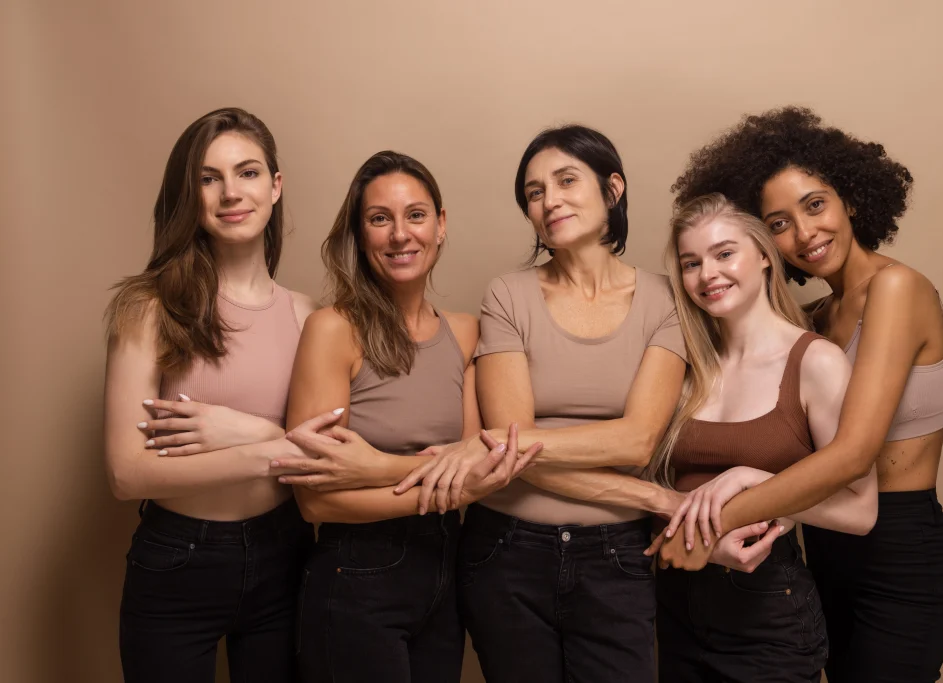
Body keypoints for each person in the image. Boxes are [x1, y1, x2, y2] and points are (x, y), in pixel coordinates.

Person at [664, 106, 943, 682]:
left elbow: (851, 455)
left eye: (815, 205)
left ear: (850, 196)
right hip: (823, 543)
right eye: (778, 223)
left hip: (900, 551)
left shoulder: (896, 289)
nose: (805, 234)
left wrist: (710, 524)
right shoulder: (816, 320)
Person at [395, 125, 688, 683]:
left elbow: (637, 439)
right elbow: (511, 447)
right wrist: (650, 494)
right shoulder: (508, 294)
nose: (549, 200)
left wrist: (487, 446)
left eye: (566, 180)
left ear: (613, 189)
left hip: (620, 555)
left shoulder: (665, 299)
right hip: (506, 551)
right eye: (533, 192)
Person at [274, 151, 537, 683]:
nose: (399, 235)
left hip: (444, 577)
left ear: (440, 225)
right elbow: (314, 498)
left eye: (415, 215)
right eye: (379, 219)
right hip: (356, 578)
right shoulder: (332, 329)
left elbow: (472, 466)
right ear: (360, 232)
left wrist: (377, 468)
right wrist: (446, 487)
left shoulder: (465, 332)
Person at [104, 107, 326, 683]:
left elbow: (330, 460)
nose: (231, 192)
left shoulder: (310, 317)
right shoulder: (148, 308)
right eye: (209, 178)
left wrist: (247, 431)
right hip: (179, 559)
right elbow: (127, 475)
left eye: (248, 173)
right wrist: (264, 449)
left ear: (275, 187)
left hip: (288, 554)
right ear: (190, 194)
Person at [644, 193, 877, 682]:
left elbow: (861, 511)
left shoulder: (816, 362)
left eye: (724, 253)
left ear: (765, 257)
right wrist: (702, 540)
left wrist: (756, 486)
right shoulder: (683, 365)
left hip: (767, 612)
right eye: (691, 263)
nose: (707, 274)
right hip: (672, 606)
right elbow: (652, 488)